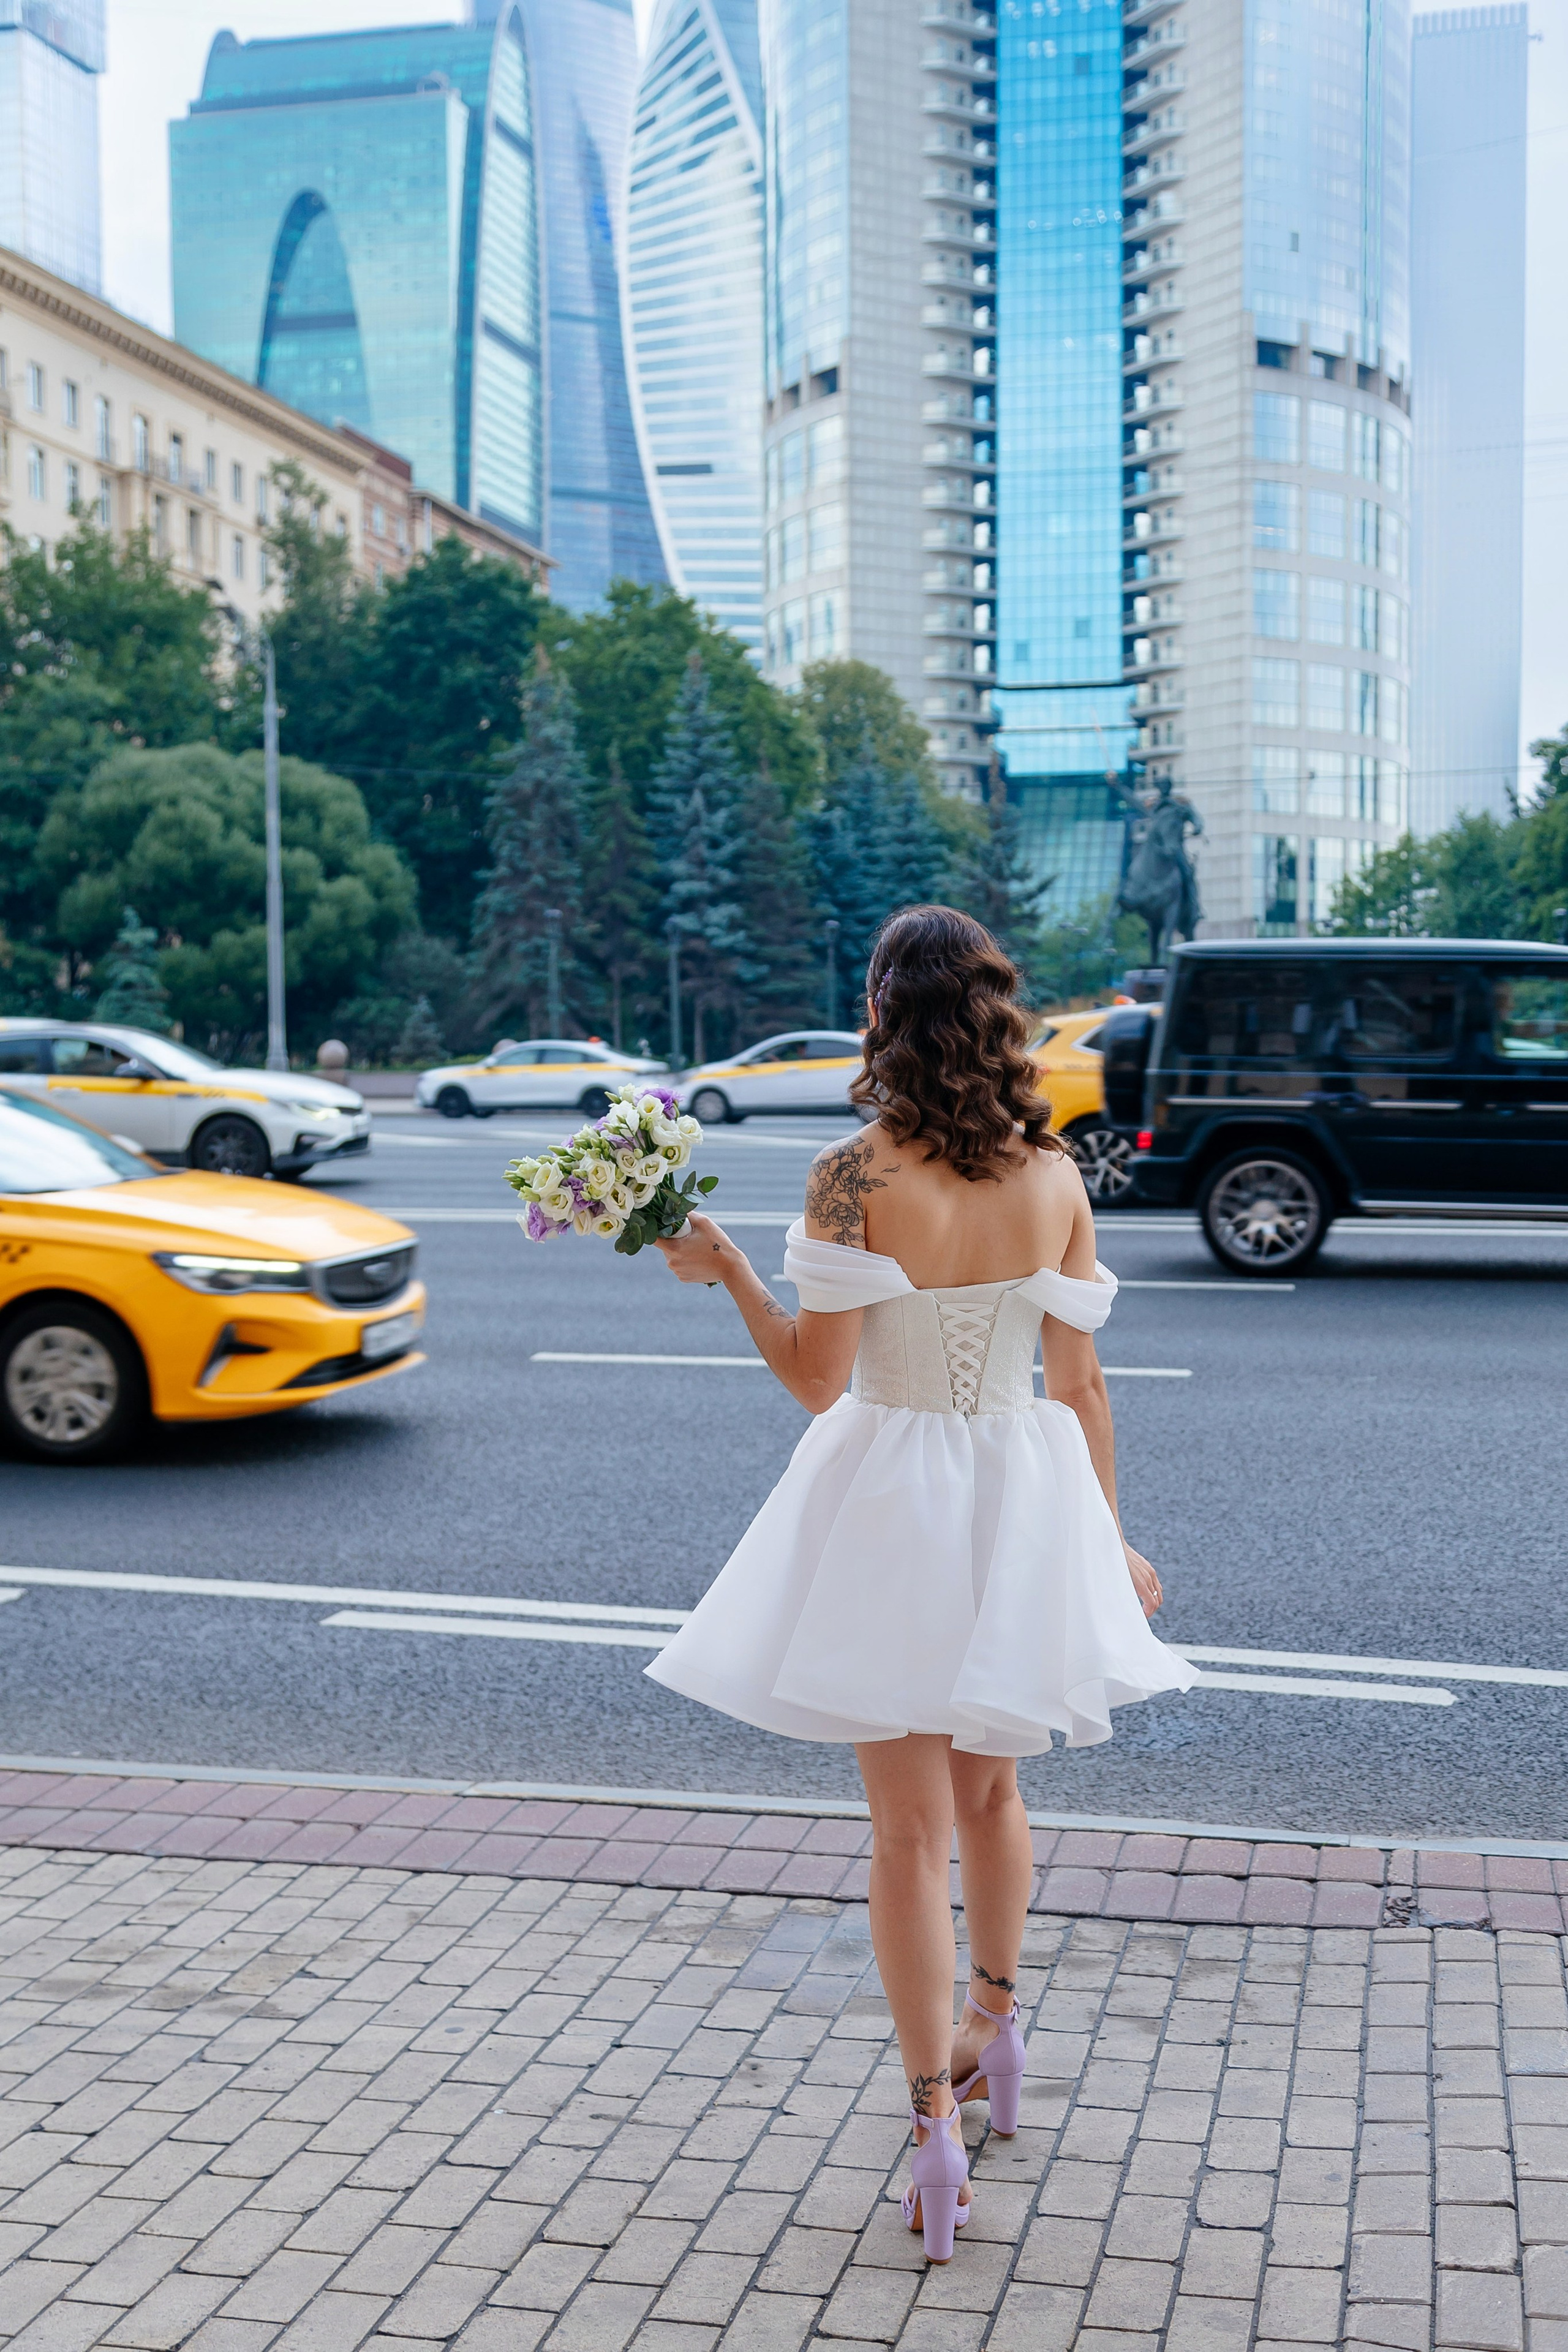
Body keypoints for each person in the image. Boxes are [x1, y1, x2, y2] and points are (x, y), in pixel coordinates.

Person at [647, 905, 1194, 2263]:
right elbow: (1077, 1384)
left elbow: (813, 1380)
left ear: (881, 1019)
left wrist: (719, 1269)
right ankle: (994, 2033)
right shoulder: (1055, 1177)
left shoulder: (849, 1173)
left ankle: (929, 2128)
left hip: (891, 1497)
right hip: (1020, 1491)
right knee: (996, 1789)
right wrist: (1106, 1543)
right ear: (999, 1022)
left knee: (905, 1837)